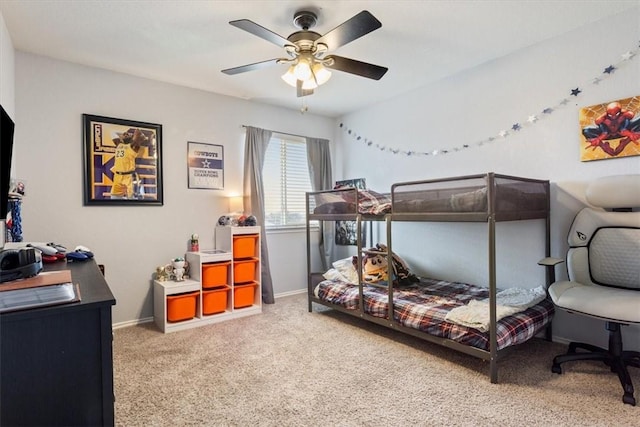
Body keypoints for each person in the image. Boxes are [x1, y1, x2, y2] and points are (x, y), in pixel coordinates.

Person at [110, 128, 150, 199]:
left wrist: (132, 134)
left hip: (129, 176)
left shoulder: (134, 146)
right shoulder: (119, 145)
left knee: (132, 199)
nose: (126, 134)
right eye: (125, 134)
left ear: (133, 138)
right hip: (118, 176)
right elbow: (112, 132)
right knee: (114, 199)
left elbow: (137, 132)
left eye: (128, 134)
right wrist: (123, 133)